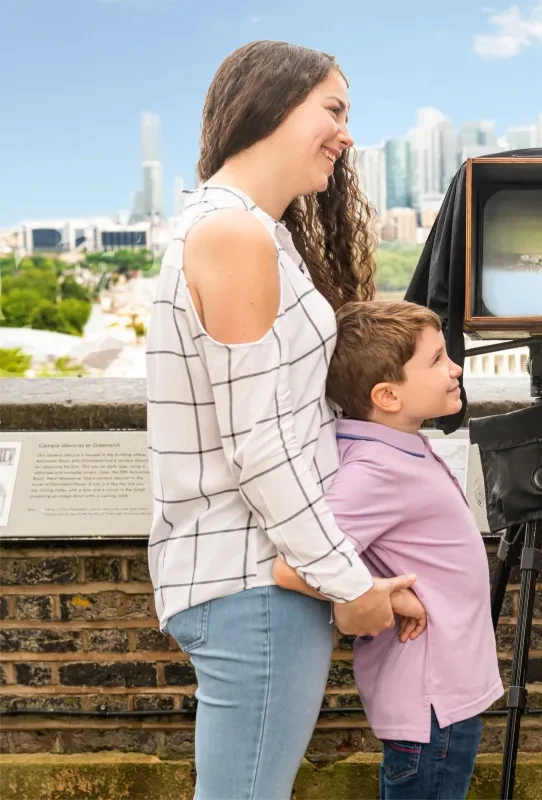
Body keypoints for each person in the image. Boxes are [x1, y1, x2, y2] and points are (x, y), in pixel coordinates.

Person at [145, 40, 412, 799]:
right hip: (253, 586)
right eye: (333, 109)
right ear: (270, 105)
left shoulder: (254, 232)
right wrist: (348, 583)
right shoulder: (235, 236)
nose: (347, 134)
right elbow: (260, 444)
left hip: (256, 581)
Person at [273, 300, 504, 800]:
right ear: (387, 395)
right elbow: (295, 564)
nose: (455, 368)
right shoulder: (374, 469)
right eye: (438, 360)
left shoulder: (395, 444)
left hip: (442, 698)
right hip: (431, 707)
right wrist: (384, 595)